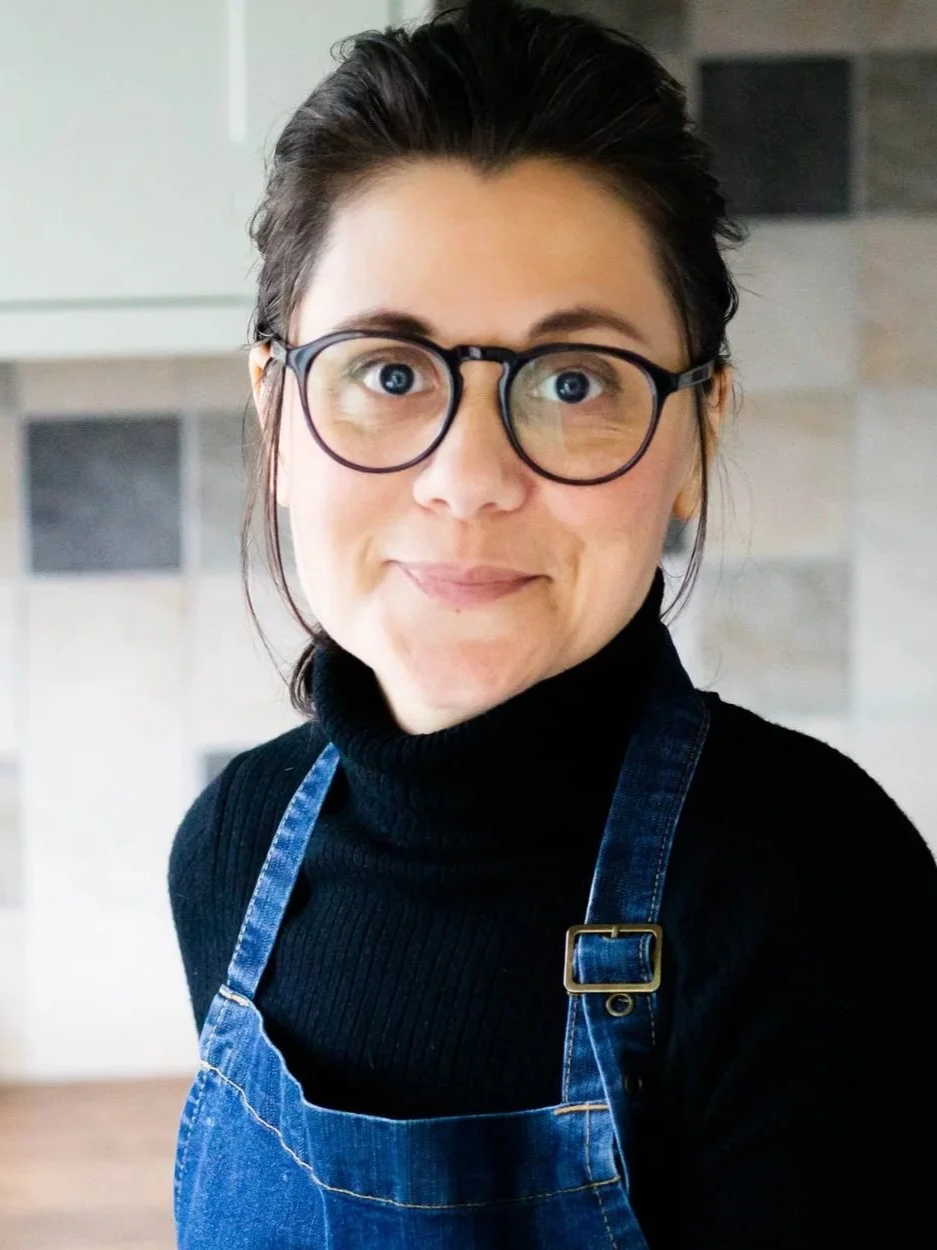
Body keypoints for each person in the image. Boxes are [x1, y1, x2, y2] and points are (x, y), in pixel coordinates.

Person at [168, 2, 937, 1246]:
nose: (469, 475)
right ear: (275, 415)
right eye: (387, 369)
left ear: (699, 430)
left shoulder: (811, 893)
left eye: (574, 380)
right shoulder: (229, 848)